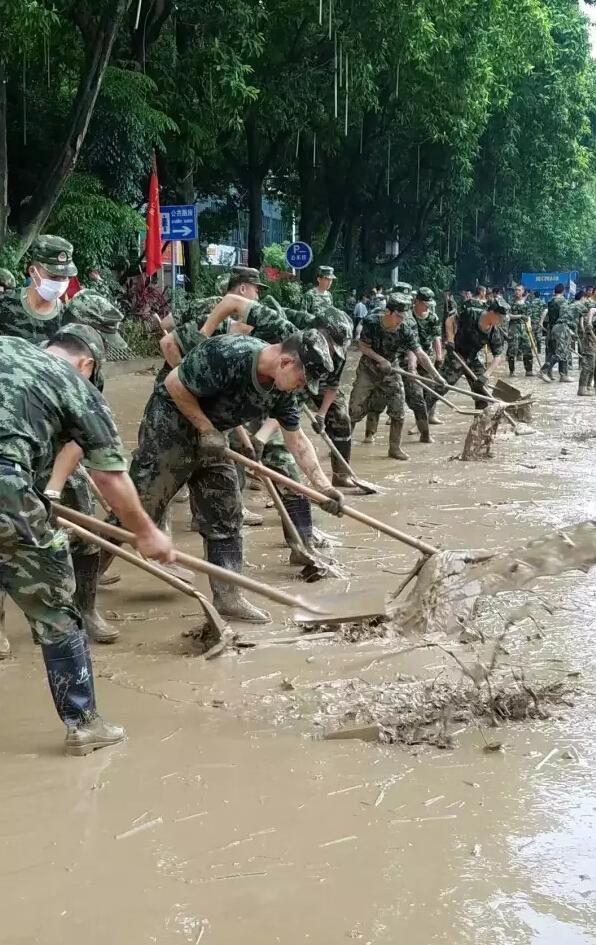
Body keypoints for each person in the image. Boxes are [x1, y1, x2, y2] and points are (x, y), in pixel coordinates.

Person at [0, 325, 172, 754]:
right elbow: (109, 475)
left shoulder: (7, 347)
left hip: (16, 486)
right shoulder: (74, 386)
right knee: (55, 608)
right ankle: (84, 724)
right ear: (88, 364)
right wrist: (146, 532)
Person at [118, 331, 342, 629]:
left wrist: (323, 488)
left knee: (226, 514)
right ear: (286, 361)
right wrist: (205, 427)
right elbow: (173, 383)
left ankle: (228, 597)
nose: (302, 388)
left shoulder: (283, 389)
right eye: (302, 380)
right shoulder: (229, 353)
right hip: (169, 429)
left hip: (215, 440)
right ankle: (80, 595)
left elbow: (298, 441)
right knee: (132, 515)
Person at [349, 293, 443, 459]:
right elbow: (362, 347)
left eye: (404, 316)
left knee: (398, 410)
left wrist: (436, 376)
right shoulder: (372, 323)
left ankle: (394, 449)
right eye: (399, 316)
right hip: (368, 369)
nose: (401, 320)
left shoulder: (406, 328)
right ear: (388, 312)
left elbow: (419, 353)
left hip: (392, 369)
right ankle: (344, 443)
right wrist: (379, 359)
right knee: (355, 407)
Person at [427, 297, 508, 411]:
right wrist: (450, 339)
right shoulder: (471, 313)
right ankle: (423, 417)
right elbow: (450, 320)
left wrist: (486, 375)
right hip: (456, 354)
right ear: (491, 312)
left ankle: (479, 424)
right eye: (500, 317)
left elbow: (498, 356)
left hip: (472, 358)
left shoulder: (494, 332)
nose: (501, 320)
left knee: (482, 391)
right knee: (440, 387)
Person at [0, 234, 75, 342]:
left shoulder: (67, 321)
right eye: (53, 276)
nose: (60, 283)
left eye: (65, 277)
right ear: (32, 272)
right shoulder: (5, 303)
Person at [540, 283, 572, 382]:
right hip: (561, 328)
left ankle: (563, 375)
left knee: (554, 351)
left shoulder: (551, 301)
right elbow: (565, 317)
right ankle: (544, 371)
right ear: (563, 291)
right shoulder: (563, 301)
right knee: (561, 351)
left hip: (552, 328)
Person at [507, 284, 533, 376]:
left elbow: (529, 317)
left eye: (519, 290)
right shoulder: (510, 303)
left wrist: (529, 327)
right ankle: (512, 371)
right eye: (515, 290)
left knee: (527, 349)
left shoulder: (527, 304)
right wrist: (520, 316)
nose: (517, 292)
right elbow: (508, 316)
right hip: (513, 328)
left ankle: (529, 370)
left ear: (523, 291)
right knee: (512, 350)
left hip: (524, 328)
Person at [577, 301, 596, 396]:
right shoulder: (593, 309)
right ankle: (582, 389)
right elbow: (592, 310)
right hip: (590, 339)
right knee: (588, 364)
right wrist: (589, 323)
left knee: (593, 365)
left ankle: (588, 386)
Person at [529, 291, 545, 355]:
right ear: (539, 295)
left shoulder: (531, 303)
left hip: (533, 321)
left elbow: (529, 312)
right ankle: (539, 350)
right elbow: (544, 312)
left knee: (532, 336)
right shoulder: (542, 302)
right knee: (539, 336)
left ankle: (532, 350)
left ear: (534, 295)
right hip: (539, 321)